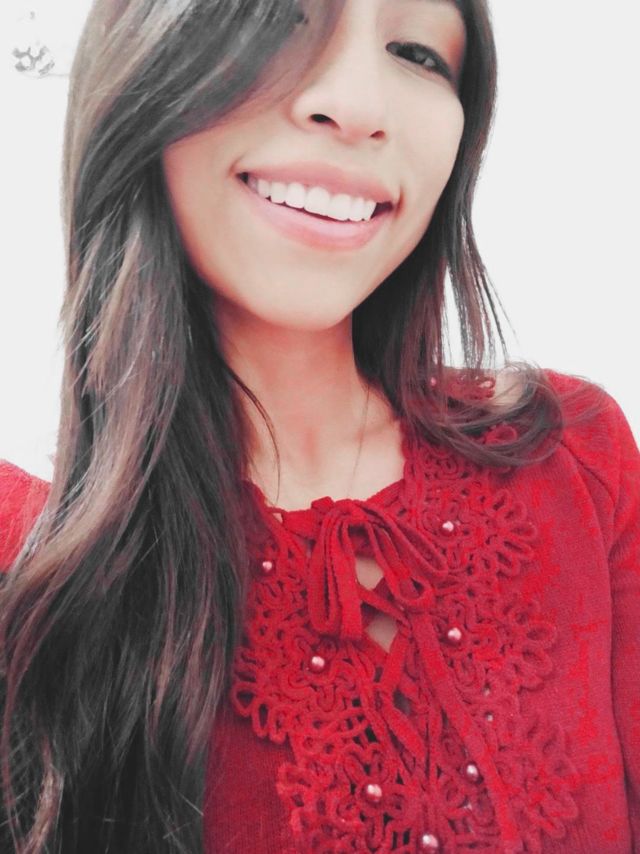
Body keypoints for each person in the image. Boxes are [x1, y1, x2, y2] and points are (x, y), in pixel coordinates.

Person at [0, 0, 637, 852]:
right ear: (144, 65)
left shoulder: (577, 453)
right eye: (280, 22)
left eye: (418, 52)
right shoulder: (25, 556)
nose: (359, 105)